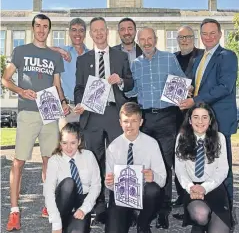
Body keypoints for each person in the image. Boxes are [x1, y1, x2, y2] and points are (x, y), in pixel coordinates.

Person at [2, 14, 69, 231]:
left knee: (49, 161)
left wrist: (64, 102)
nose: (41, 29)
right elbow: (5, 78)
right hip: (28, 112)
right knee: (19, 162)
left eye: (45, 26)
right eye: (38, 26)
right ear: (32, 28)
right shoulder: (21, 51)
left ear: (49, 30)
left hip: (49, 113)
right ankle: (14, 211)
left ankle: (48, 205)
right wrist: (21, 90)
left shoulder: (54, 55)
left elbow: (57, 85)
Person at [74, 17, 134, 222]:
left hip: (115, 113)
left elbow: (130, 81)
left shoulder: (120, 56)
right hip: (92, 115)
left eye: (102, 30)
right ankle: (98, 206)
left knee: (120, 160)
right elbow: (79, 88)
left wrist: (121, 81)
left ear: (107, 32)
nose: (99, 33)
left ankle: (122, 205)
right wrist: (80, 103)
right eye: (95, 31)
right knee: (95, 162)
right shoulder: (83, 59)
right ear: (90, 34)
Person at [128, 27, 186, 229]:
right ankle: (145, 209)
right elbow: (133, 90)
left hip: (166, 117)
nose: (146, 42)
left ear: (156, 39)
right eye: (142, 39)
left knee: (165, 166)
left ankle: (163, 211)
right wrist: (121, 85)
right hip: (145, 119)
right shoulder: (135, 64)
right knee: (143, 164)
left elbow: (181, 81)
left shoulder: (169, 58)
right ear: (139, 41)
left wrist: (187, 90)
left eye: (149, 38)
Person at [179, 18, 238, 217]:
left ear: (220, 34)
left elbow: (224, 87)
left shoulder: (227, 56)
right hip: (199, 120)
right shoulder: (198, 59)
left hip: (218, 120)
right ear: (200, 35)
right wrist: (188, 89)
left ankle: (226, 212)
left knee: (223, 167)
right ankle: (200, 207)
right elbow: (196, 84)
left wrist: (195, 100)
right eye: (205, 33)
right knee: (199, 164)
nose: (209, 37)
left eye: (213, 33)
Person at [105, 102, 167, 233]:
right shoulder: (113, 147)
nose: (129, 125)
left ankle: (143, 222)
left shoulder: (152, 144)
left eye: (134, 121)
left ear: (141, 122)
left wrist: (153, 176)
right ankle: (127, 216)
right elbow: (109, 184)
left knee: (153, 190)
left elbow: (162, 179)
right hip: (121, 194)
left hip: (144, 191)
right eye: (126, 121)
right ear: (120, 122)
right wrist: (109, 182)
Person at [175, 102, 231, 233]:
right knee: (200, 214)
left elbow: (222, 170)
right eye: (196, 117)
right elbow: (180, 170)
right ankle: (199, 224)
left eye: (204, 117)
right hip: (192, 189)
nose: (200, 121)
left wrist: (205, 187)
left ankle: (201, 227)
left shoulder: (219, 138)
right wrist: (190, 187)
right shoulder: (181, 138)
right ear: (189, 120)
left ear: (210, 120)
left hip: (214, 186)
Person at [44, 123, 101, 233]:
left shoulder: (88, 156)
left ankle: (68, 226)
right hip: (64, 201)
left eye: (73, 143)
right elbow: (48, 192)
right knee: (69, 183)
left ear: (79, 142)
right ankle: (62, 223)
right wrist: (56, 222)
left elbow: (96, 186)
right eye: (64, 143)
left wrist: (84, 209)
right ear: (60, 143)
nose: (68, 148)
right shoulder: (55, 160)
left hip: (82, 201)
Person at [173, 26, 204, 209]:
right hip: (176, 113)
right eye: (180, 37)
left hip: (196, 112)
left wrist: (193, 90)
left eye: (188, 37)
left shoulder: (201, 56)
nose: (184, 40)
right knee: (179, 154)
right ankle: (183, 194)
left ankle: (198, 193)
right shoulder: (173, 58)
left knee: (196, 154)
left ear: (194, 38)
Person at [51, 18, 88, 129]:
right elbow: (40, 50)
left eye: (81, 30)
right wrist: (59, 50)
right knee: (65, 144)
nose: (77, 33)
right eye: (74, 30)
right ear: (69, 33)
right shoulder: (62, 51)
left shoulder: (91, 55)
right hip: (66, 107)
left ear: (85, 33)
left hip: (85, 109)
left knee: (84, 145)